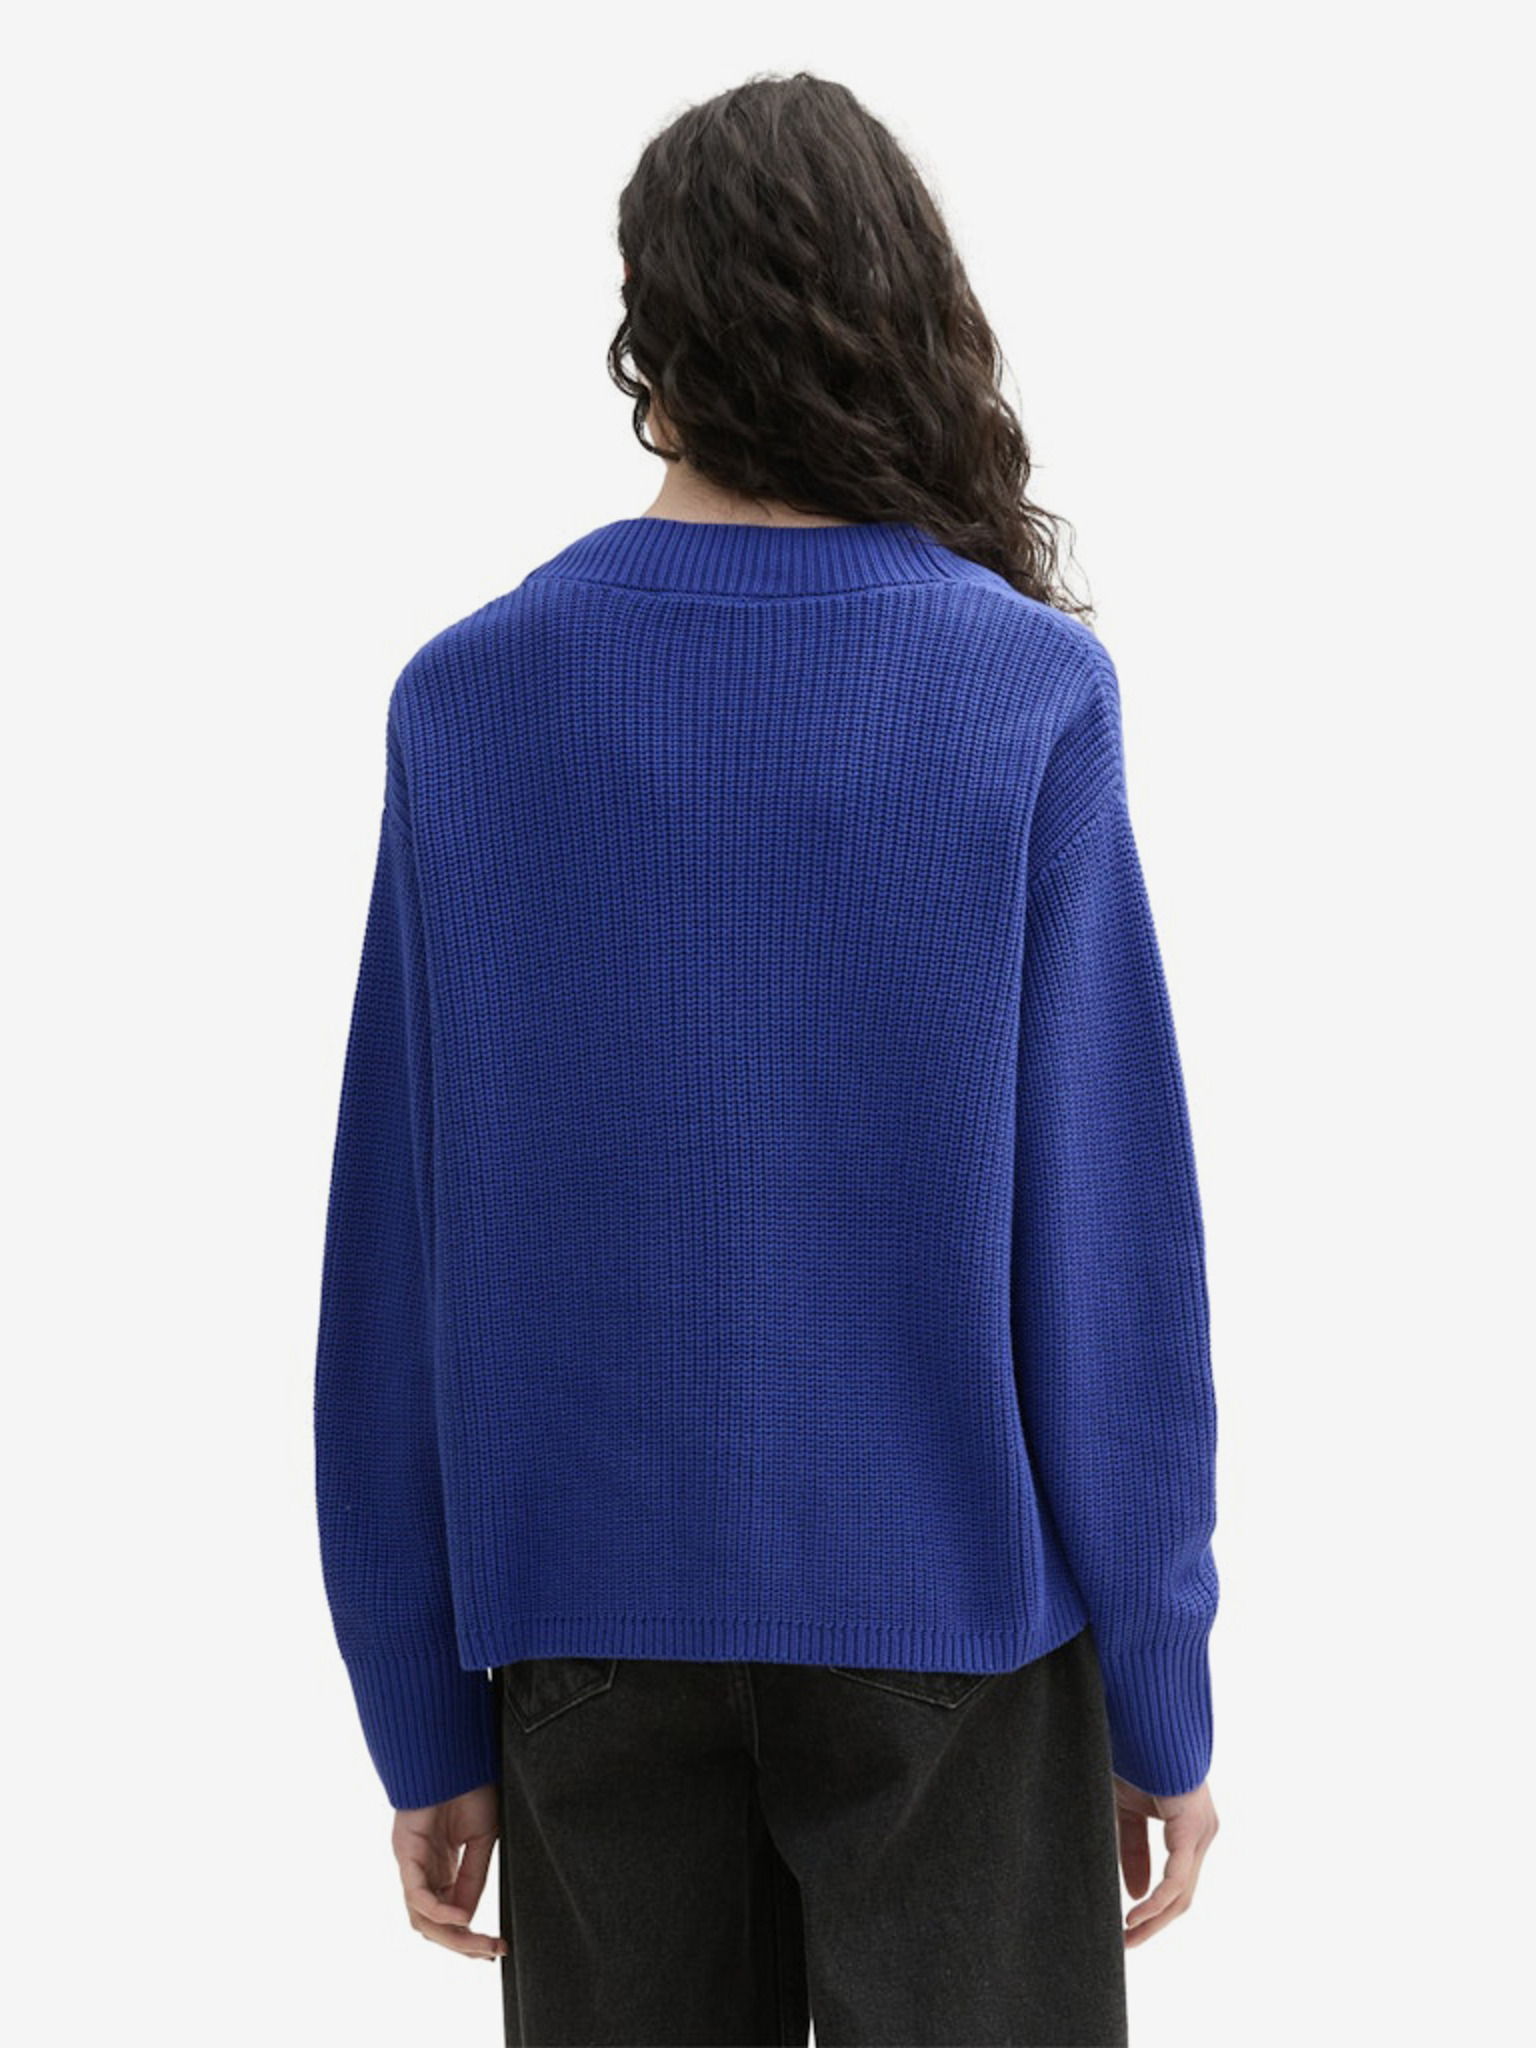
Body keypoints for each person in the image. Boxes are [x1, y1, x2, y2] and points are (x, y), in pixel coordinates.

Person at [314, 70, 1220, 2048]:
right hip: (951, 1633)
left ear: (649, 339)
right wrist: (1162, 1693)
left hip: (583, 1634)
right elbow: (1107, 1254)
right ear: (905, 315)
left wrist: (419, 1711)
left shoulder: (469, 700)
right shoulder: (1023, 693)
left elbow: (398, 1249)